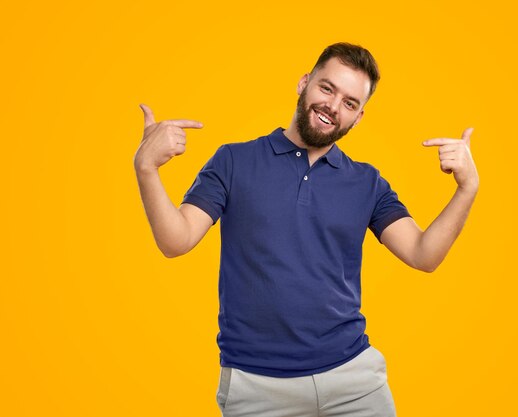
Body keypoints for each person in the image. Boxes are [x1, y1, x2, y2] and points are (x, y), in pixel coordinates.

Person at [133, 42, 479, 417]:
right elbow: (176, 240)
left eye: (349, 103)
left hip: (353, 380)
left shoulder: (367, 182)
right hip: (257, 387)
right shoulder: (234, 160)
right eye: (327, 88)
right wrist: (146, 169)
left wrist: (467, 189)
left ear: (359, 117)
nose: (333, 106)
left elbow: (423, 254)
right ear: (304, 83)